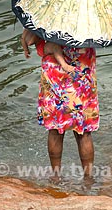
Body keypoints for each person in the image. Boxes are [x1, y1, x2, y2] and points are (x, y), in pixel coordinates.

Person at [21, 29, 99, 182]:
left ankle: (56, 177)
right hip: (82, 68)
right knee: (83, 131)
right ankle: (88, 179)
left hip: (54, 71)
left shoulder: (50, 10)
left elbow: (30, 38)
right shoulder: (88, 13)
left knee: (56, 129)